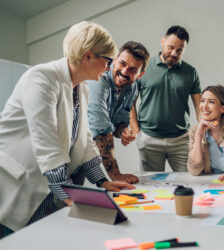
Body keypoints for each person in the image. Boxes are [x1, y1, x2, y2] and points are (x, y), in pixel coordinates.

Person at [0, 21, 134, 238]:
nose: (109, 67)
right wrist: (74, 196)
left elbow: (85, 140)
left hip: (45, 188)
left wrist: (103, 180)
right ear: (89, 56)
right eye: (107, 60)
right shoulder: (41, 78)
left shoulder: (81, 88)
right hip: (16, 184)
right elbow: (47, 145)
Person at [130, 25, 201, 172]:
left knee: (189, 182)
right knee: (151, 187)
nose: (174, 53)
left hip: (181, 139)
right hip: (149, 139)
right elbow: (130, 102)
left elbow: (200, 107)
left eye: (179, 50)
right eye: (171, 47)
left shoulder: (190, 72)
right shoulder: (144, 67)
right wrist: (137, 132)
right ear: (162, 41)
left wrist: (200, 136)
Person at [87, 41, 150, 184]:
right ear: (114, 60)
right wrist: (116, 174)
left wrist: (122, 131)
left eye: (133, 70)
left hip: (88, 154)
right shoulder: (99, 79)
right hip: (68, 149)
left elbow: (118, 122)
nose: (125, 71)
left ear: (140, 75)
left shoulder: (132, 88)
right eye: (122, 63)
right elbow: (101, 129)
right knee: (60, 201)